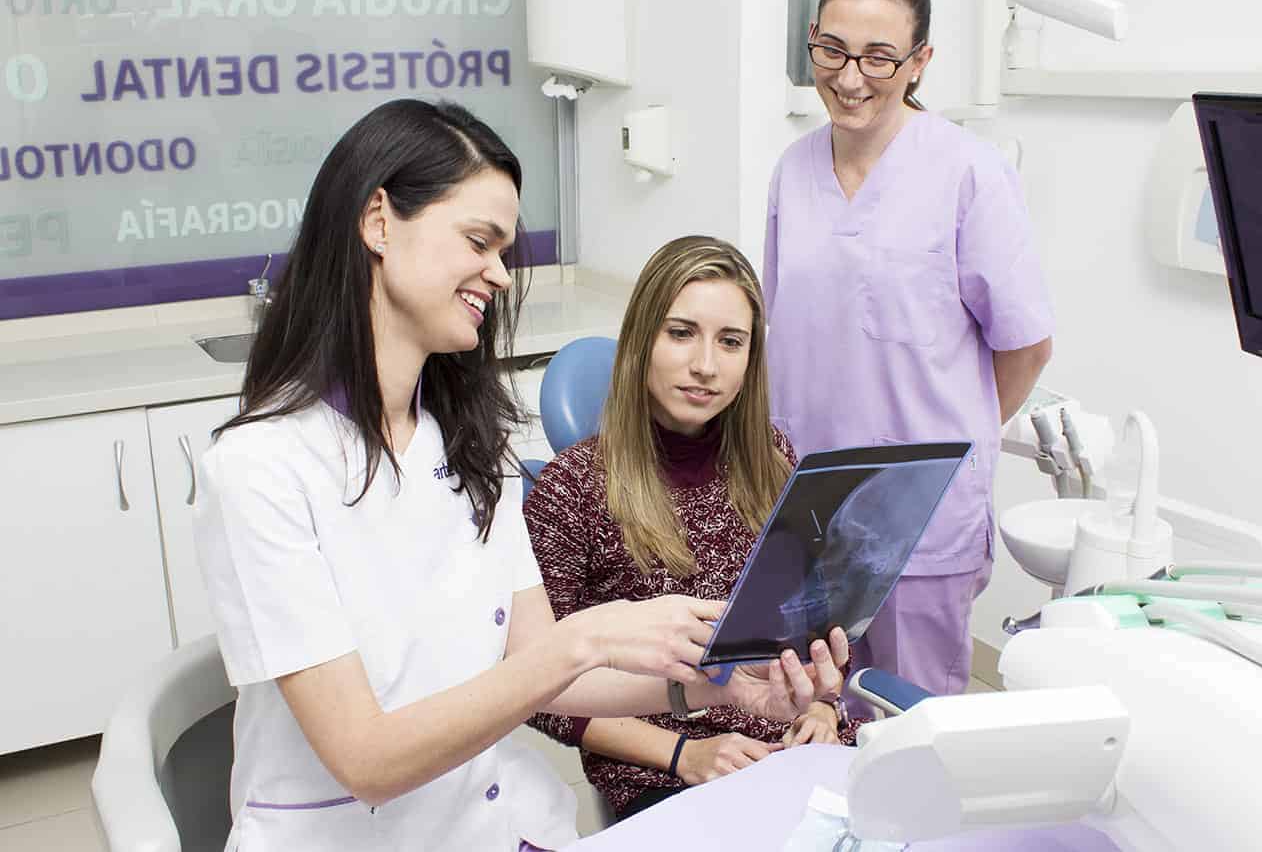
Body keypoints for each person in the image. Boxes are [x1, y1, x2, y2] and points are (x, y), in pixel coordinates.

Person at [194, 100, 849, 852]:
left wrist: (717, 685)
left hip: (498, 823)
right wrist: (587, 639)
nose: (499, 274)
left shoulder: (464, 448)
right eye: (479, 241)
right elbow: (366, 762)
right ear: (378, 221)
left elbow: (547, 678)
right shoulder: (262, 469)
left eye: (505, 249)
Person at [763, 0, 1054, 705]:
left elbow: (1024, 344)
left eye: (879, 58)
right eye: (831, 51)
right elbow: (780, 329)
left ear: (919, 61)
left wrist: (950, 442)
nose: (851, 77)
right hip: (810, 510)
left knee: (908, 727)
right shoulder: (791, 172)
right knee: (810, 713)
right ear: (810, 42)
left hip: (922, 517)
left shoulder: (969, 173)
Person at [524, 236, 862, 822]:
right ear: (641, 341)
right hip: (668, 762)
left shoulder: (775, 459)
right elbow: (535, 692)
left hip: (794, 739)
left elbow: (814, 622)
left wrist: (823, 706)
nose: (706, 365)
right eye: (681, 333)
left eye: (730, 342)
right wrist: (685, 754)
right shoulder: (571, 489)